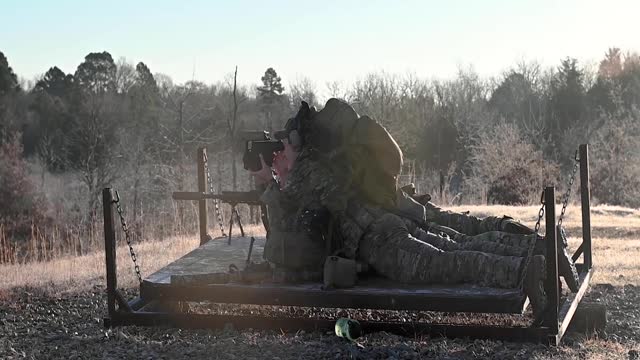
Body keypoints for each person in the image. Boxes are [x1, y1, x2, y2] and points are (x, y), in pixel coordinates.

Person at [251, 99, 575, 320]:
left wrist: (267, 183)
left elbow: (282, 233)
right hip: (386, 224)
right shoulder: (325, 162)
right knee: (458, 246)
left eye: (284, 148)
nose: (280, 155)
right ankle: (540, 250)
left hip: (378, 240)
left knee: (450, 264)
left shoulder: (307, 171)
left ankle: (526, 270)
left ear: (298, 145)